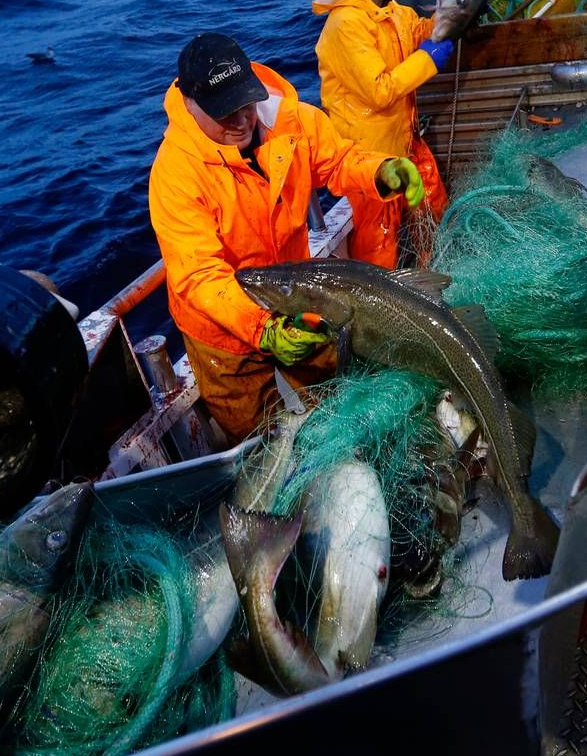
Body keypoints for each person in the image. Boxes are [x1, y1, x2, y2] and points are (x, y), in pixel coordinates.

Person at [148, 32, 424, 447]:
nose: (242, 121)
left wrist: (378, 171)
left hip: (299, 297)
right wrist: (262, 328)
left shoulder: (292, 121)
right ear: (191, 104)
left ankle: (340, 452)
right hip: (222, 332)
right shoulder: (175, 174)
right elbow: (199, 276)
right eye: (226, 113)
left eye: (246, 103)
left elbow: (337, 160)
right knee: (259, 439)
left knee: (335, 391)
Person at [313, 0, 454, 268]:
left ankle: (430, 271)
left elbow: (417, 30)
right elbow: (379, 90)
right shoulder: (346, 25)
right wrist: (429, 59)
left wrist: (450, 20)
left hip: (404, 138)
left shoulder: (388, 10)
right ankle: (384, 303)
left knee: (433, 207)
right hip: (371, 156)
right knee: (379, 241)